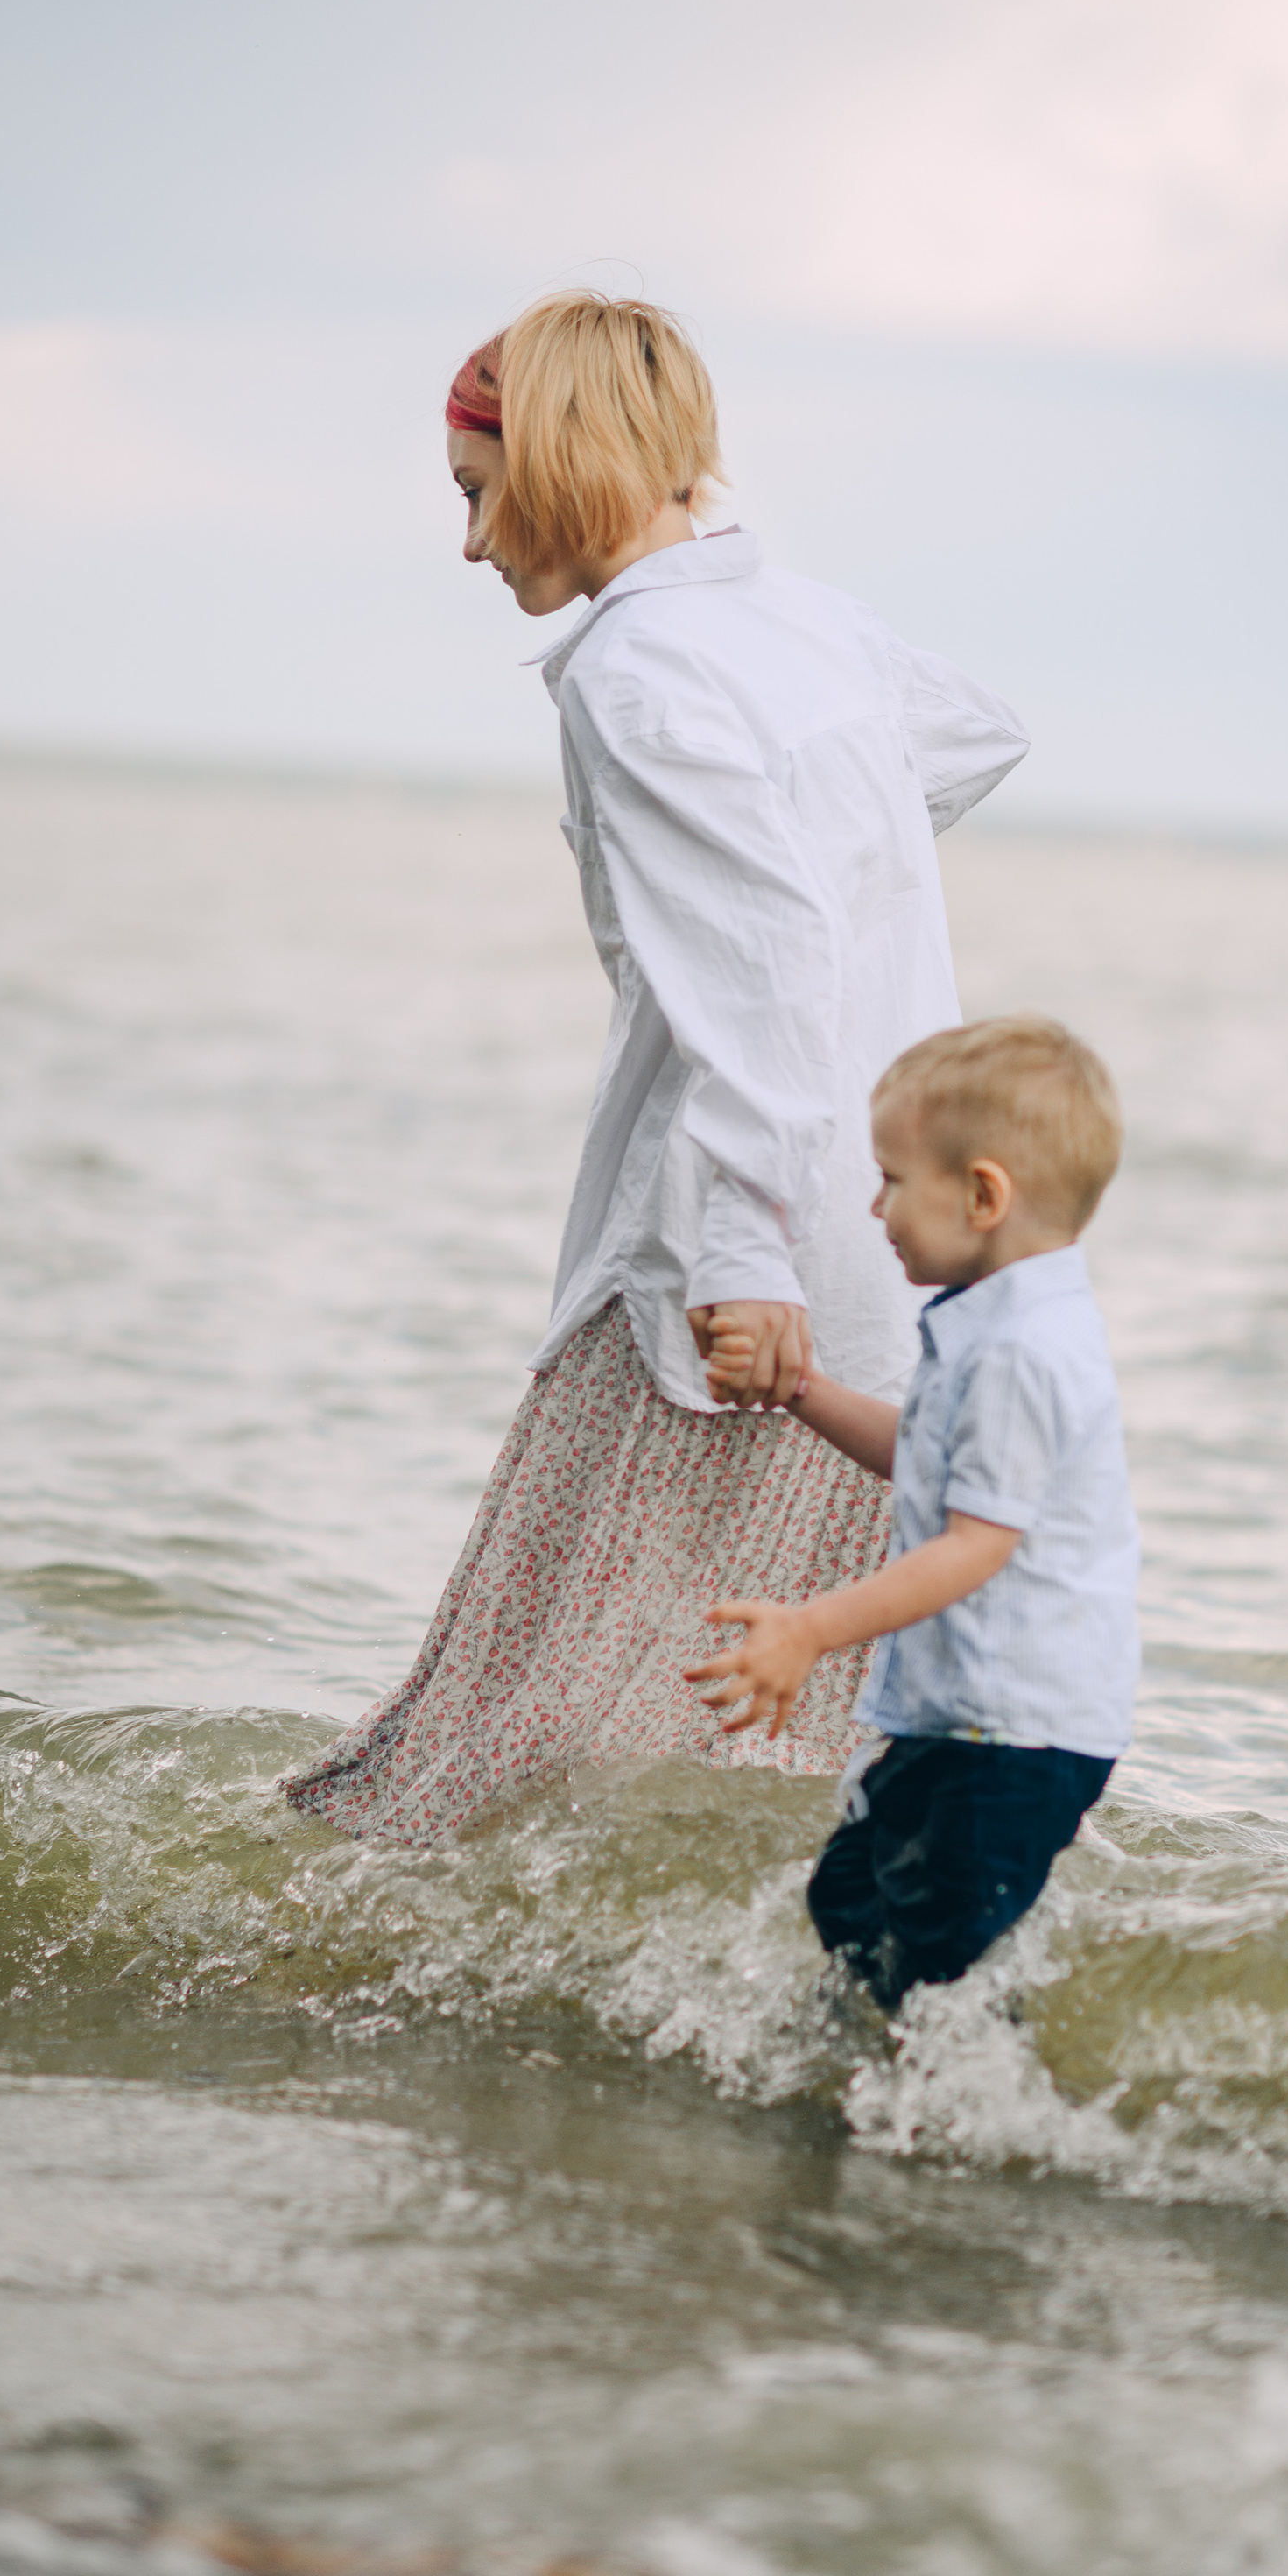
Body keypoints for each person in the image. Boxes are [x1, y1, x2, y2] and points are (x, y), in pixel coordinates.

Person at [280, 291, 1028, 1844]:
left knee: (518, 1725)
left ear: (557, 461)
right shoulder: (803, 622)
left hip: (724, 1276)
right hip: (887, 1266)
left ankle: (373, 1991)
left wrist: (745, 1246)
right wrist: (844, 867)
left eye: (481, 497)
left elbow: (757, 983)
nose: (475, 548)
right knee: (782, 1748)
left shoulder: (640, 674)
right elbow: (972, 734)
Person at [686, 1015, 1138, 2008]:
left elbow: (975, 1546)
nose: (873, 1203)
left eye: (892, 1177)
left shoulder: (1023, 1350)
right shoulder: (990, 1324)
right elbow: (918, 1458)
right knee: (851, 1902)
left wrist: (809, 1628)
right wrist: (797, 1389)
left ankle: (951, 2125)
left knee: (939, 1956)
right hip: (962, 1717)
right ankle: (889, 2092)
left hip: (1017, 1728)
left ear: (983, 1194)